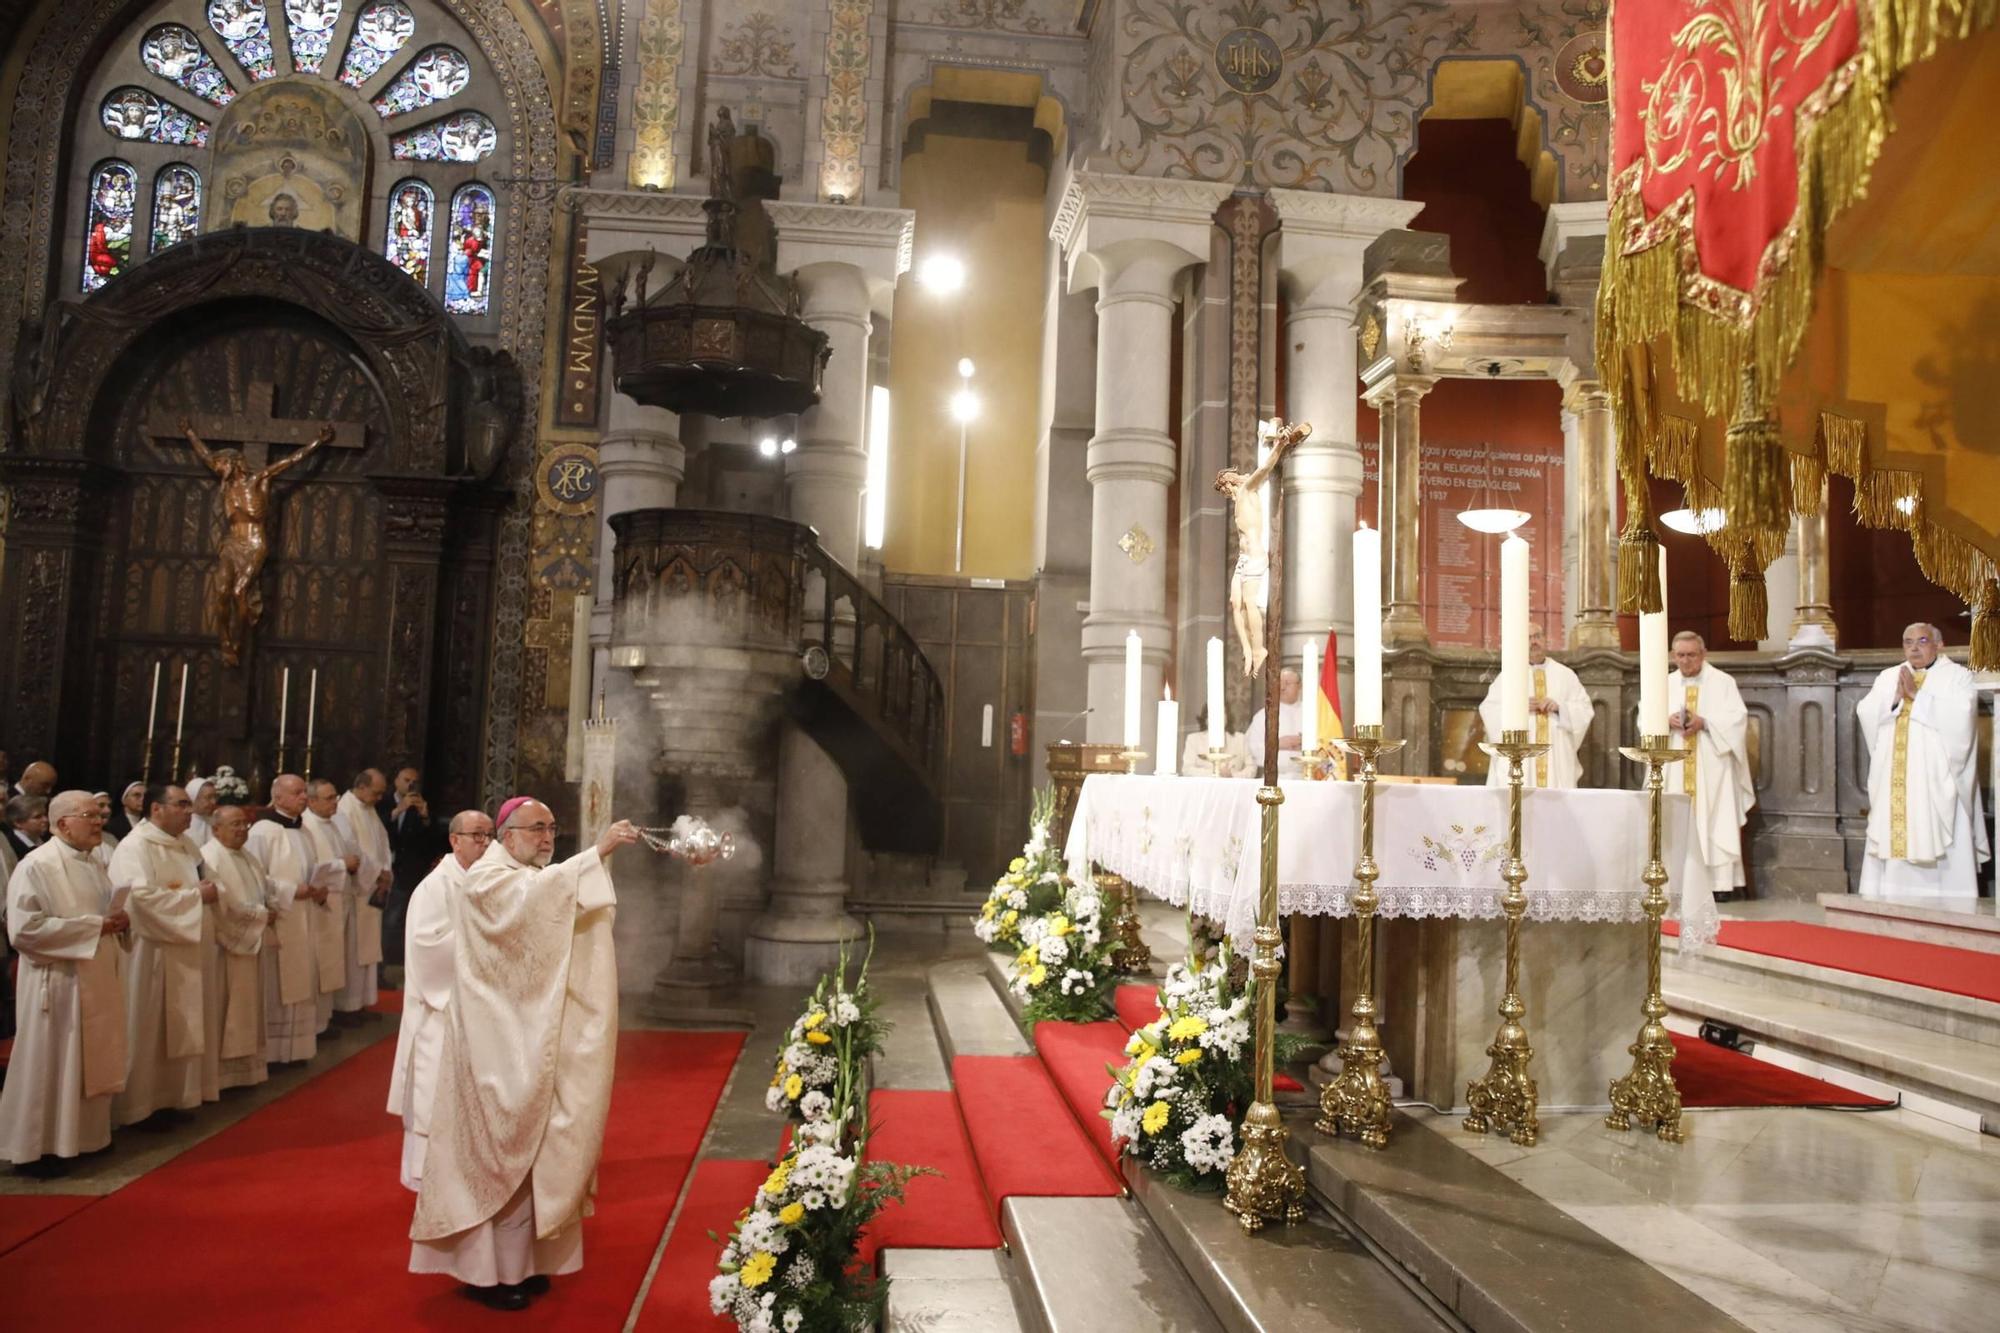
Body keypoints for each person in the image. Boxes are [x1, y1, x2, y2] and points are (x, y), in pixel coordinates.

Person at [410, 800, 642, 1310]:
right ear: (506, 833)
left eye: (552, 828)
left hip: (528, 1037)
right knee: (500, 1152)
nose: (546, 837)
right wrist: (595, 853)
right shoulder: (487, 878)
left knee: (539, 1149)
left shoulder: (527, 874)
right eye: (537, 828)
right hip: (494, 1045)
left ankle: (527, 1263)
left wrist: (587, 864)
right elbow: (532, 899)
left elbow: (553, 901)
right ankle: (485, 1273)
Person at [0, 791, 129, 1171]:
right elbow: (24, 931)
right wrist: (95, 926)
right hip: (56, 982)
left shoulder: (93, 861)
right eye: (88, 815)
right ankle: (40, 1149)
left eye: (97, 815)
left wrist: (119, 921)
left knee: (90, 1059)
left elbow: (105, 913)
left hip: (94, 976)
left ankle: (86, 1137)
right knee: (53, 1062)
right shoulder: (37, 865)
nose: (98, 821)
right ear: (61, 824)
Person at [389, 810, 493, 1192]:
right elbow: (426, 949)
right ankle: (426, 1176)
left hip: (476, 1009)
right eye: (476, 836)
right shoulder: (435, 887)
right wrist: (482, 936)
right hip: (440, 1010)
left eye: (489, 835)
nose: (485, 843)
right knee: (435, 1097)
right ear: (454, 841)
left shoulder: (485, 880)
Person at [1857, 623, 1990, 899]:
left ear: (1938, 644)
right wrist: (1895, 698)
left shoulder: (1957, 676)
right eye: (1908, 642)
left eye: (1922, 641)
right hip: (1896, 773)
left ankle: (1948, 897)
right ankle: (1892, 893)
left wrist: (1918, 697)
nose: (1914, 648)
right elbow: (1866, 711)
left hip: (1935, 777)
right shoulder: (1888, 676)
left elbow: (1962, 717)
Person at [107, 784, 214, 1125]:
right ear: (156, 809)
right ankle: (139, 1107)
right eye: (181, 804)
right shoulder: (134, 847)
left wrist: (203, 893)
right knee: (147, 1026)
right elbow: (138, 900)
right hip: (149, 953)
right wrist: (195, 897)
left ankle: (171, 1099)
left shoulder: (185, 843)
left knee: (178, 1026)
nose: (190, 811)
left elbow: (207, 879)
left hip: (183, 949)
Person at [1657, 632, 1755, 894]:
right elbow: (1646, 720)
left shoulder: (1723, 682)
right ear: (1672, 656)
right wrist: (1666, 721)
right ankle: (1675, 882)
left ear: (1703, 654)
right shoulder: (1664, 683)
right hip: (1675, 763)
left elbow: (1737, 720)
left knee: (1715, 819)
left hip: (1713, 765)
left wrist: (1705, 723)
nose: (1686, 661)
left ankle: (1719, 884)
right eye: (1680, 655)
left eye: (1691, 654)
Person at [1215, 420, 1310, 677]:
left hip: (1256, 555)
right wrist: (1269, 440)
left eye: (1226, 484)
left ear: (1232, 482)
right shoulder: (1240, 496)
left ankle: (1259, 650)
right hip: (1243, 558)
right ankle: (1247, 648)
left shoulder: (1248, 488)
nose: (1226, 489)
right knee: (1236, 603)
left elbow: (1266, 467)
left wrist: (1279, 445)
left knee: (1249, 602)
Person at [245, 775, 325, 1065]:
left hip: (305, 916)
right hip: (282, 917)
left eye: (305, 791)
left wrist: (317, 887)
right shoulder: (262, 832)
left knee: (302, 978)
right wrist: (292, 890)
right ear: (277, 797)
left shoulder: (305, 830)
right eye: (297, 792)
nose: (304, 797)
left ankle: (297, 1049)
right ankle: (275, 1053)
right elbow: (254, 877)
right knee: (279, 982)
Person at [202, 804, 272, 1091]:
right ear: (216, 828)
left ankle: (245, 1072)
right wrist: (261, 916)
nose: (242, 828)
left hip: (249, 943)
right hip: (225, 948)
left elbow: (262, 889)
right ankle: (221, 1077)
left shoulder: (248, 856)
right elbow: (222, 905)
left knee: (247, 1007)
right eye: (235, 824)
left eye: (245, 823)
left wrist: (268, 906)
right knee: (225, 1008)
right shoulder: (209, 857)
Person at [1478, 624, 1593, 789]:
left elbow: (1584, 709)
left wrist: (1560, 708)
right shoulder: (1509, 676)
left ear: (1545, 639)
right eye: (1528, 638)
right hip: (1521, 755)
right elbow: (1489, 709)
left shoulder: (1565, 675)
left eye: (1537, 636)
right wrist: (1517, 708)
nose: (1534, 642)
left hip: (1556, 755)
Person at [300, 778, 361, 1027]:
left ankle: (328, 1016)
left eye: (335, 796)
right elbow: (314, 867)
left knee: (335, 961)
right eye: (328, 798)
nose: (335, 802)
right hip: (321, 903)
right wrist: (342, 865)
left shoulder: (332, 823)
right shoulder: (307, 825)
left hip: (340, 900)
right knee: (320, 963)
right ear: (312, 801)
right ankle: (317, 1022)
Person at [336, 769, 392, 997]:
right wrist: (377, 872)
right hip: (358, 889)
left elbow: (383, 843)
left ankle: (362, 1001)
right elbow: (352, 849)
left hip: (374, 888)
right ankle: (349, 1003)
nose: (379, 798)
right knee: (352, 951)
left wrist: (386, 871)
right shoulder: (344, 809)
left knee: (367, 949)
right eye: (376, 793)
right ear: (361, 787)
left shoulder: (369, 809)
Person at [382, 766, 438, 967]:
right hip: (386, 867)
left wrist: (424, 816)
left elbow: (430, 840)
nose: (409, 785)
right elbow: (380, 828)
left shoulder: (420, 804)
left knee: (404, 918)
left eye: (414, 781)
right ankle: (384, 964)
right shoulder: (384, 802)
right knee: (388, 918)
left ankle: (400, 962)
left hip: (409, 871)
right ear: (396, 780)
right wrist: (398, 810)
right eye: (406, 780)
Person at [1245, 667, 1307, 779]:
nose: (1282, 687)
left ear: (1300, 686)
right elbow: (1252, 749)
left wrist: (1305, 743)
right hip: (1273, 777)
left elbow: (1325, 745)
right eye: (1279, 682)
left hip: (1305, 777)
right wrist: (1277, 744)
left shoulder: (1311, 713)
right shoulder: (1263, 715)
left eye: (1287, 683)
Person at [4, 794, 48, 864]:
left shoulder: (47, 837)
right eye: (37, 817)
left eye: (45, 815)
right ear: (18, 823)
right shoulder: (10, 847)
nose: (45, 819)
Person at [186, 776, 218, 847]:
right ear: (193, 798)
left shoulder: (217, 820)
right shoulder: (183, 824)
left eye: (215, 797)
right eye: (209, 797)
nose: (214, 802)